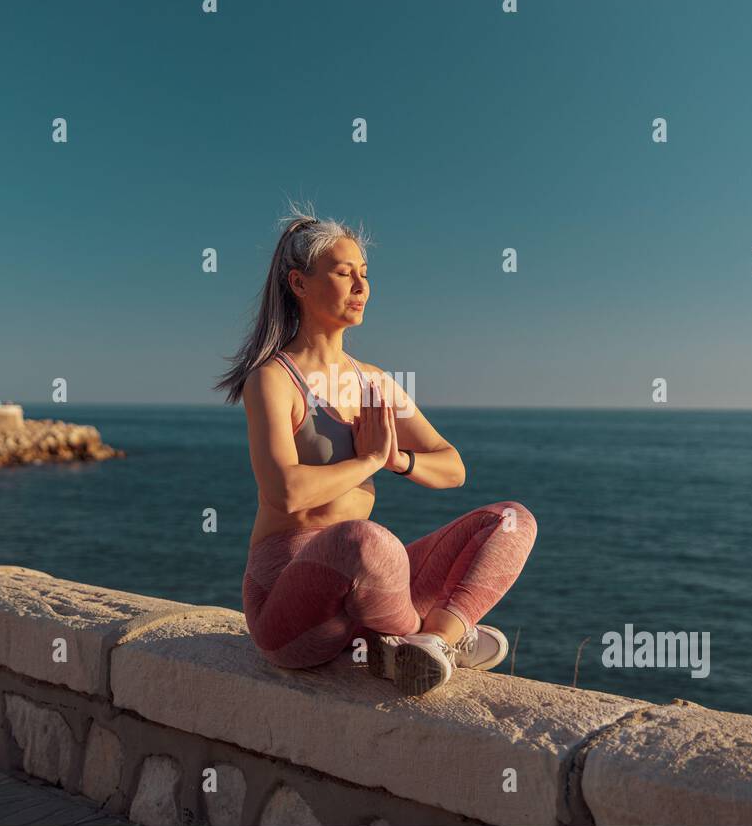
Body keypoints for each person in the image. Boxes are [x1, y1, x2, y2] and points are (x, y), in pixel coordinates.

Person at [214, 202, 538, 695]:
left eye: (364, 274)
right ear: (299, 284)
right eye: (345, 274)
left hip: (366, 593)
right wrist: (365, 460)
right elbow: (286, 494)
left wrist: (398, 460)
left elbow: (453, 468)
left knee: (511, 519)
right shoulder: (273, 380)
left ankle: (434, 641)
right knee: (365, 541)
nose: (362, 287)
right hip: (290, 607)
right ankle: (428, 637)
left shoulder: (374, 383)